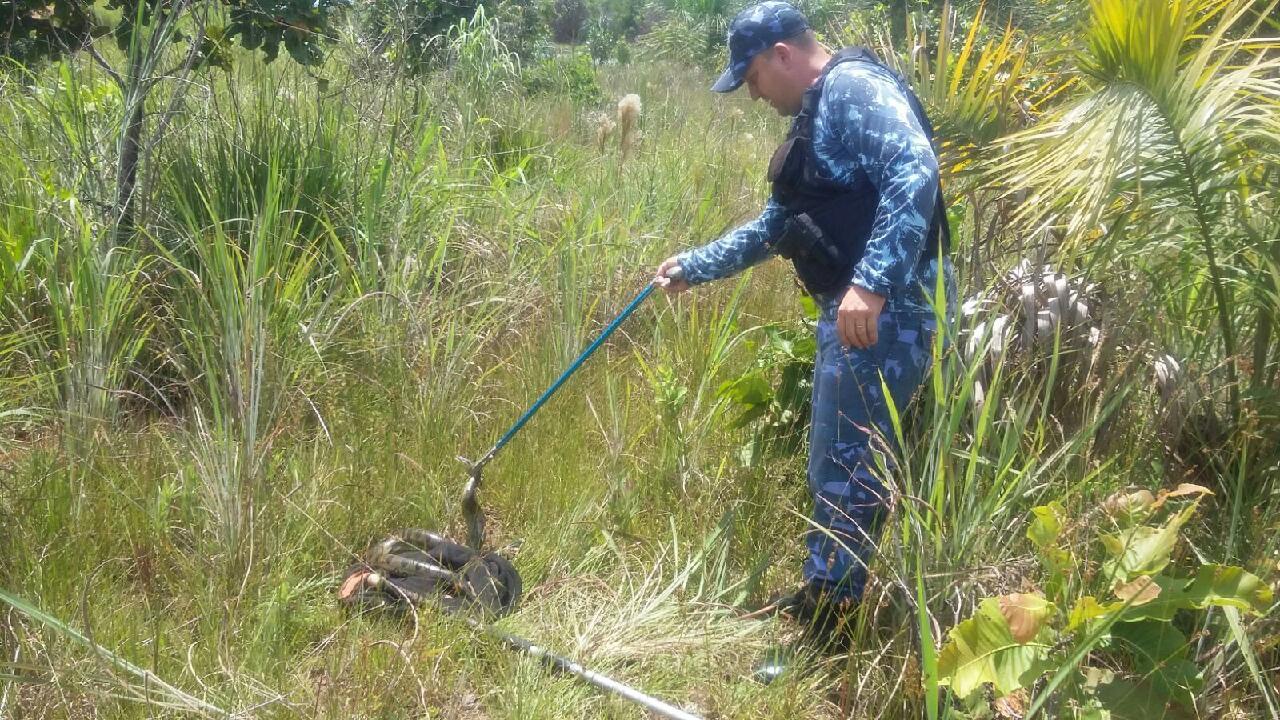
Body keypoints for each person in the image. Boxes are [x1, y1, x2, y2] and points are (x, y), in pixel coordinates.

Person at [653, 1, 955, 657]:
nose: (755, 94)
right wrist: (695, 267)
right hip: (864, 312)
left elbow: (915, 168)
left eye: (754, 77)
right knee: (837, 461)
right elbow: (775, 228)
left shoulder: (852, 89)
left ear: (782, 55)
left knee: (846, 466)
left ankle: (830, 628)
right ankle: (829, 595)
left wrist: (871, 284)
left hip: (888, 313)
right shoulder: (816, 118)